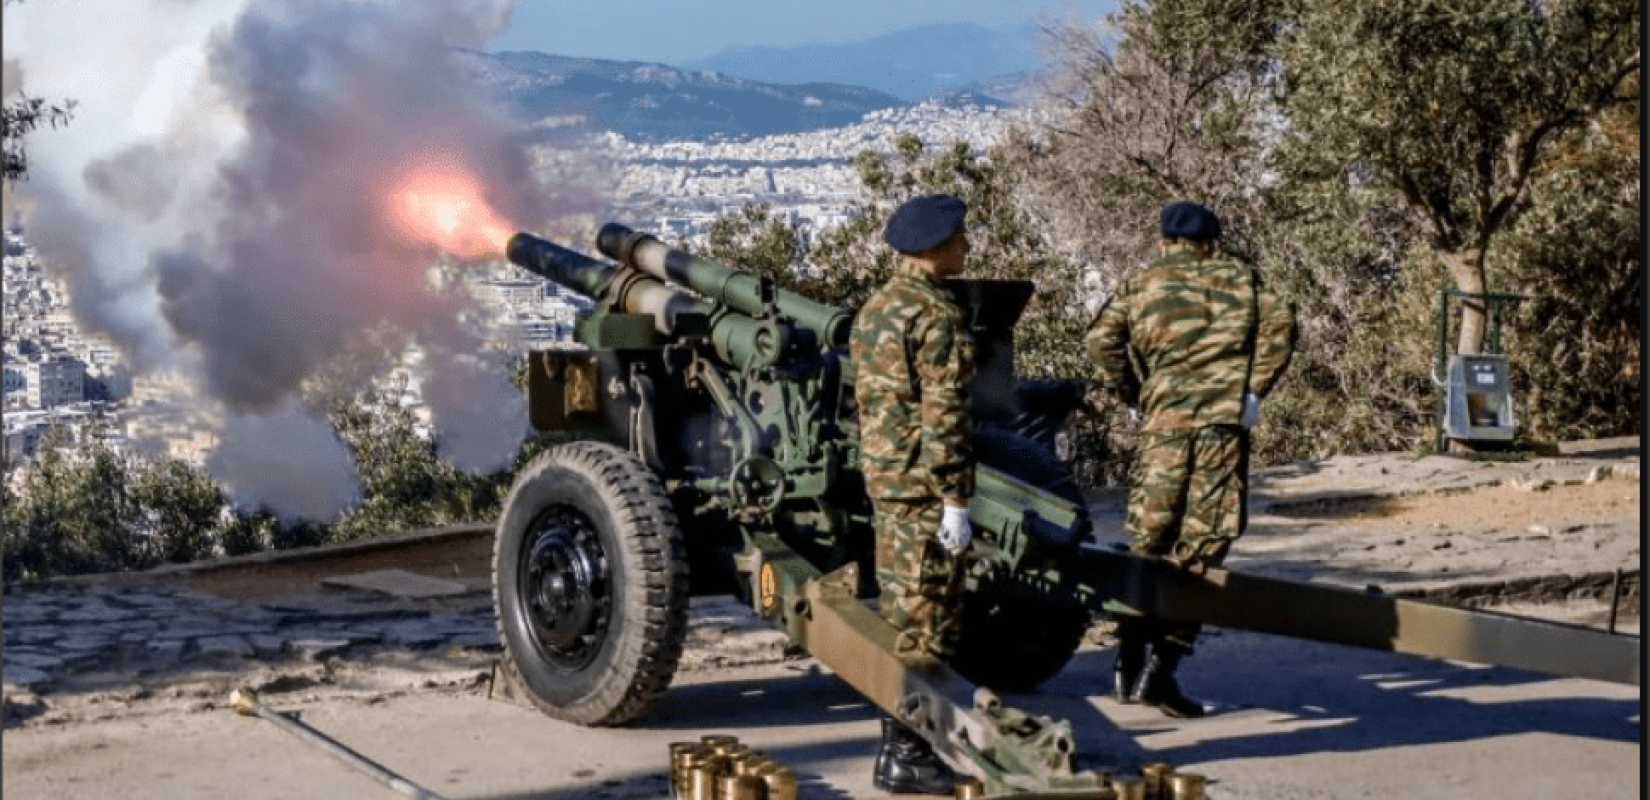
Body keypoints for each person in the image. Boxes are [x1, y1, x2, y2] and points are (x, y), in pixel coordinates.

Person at [1085, 201, 1297, 719]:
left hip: (1164, 424)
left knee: (1148, 542)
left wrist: (1134, 393)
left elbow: (1100, 340)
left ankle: (1126, 661)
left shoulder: (1144, 282)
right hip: (1220, 424)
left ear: (1164, 243)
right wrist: (1253, 391)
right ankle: (1161, 669)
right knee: (1203, 545)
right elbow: (1282, 327)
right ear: (1212, 243)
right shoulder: (1240, 279)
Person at [849, 193, 976, 795]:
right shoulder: (935, 315)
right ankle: (905, 754)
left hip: (886, 476)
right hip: (924, 485)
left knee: (903, 609)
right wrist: (955, 498)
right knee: (926, 621)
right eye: (958, 240)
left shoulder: (877, 308)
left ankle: (907, 747)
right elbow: (944, 414)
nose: (966, 249)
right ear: (933, 249)